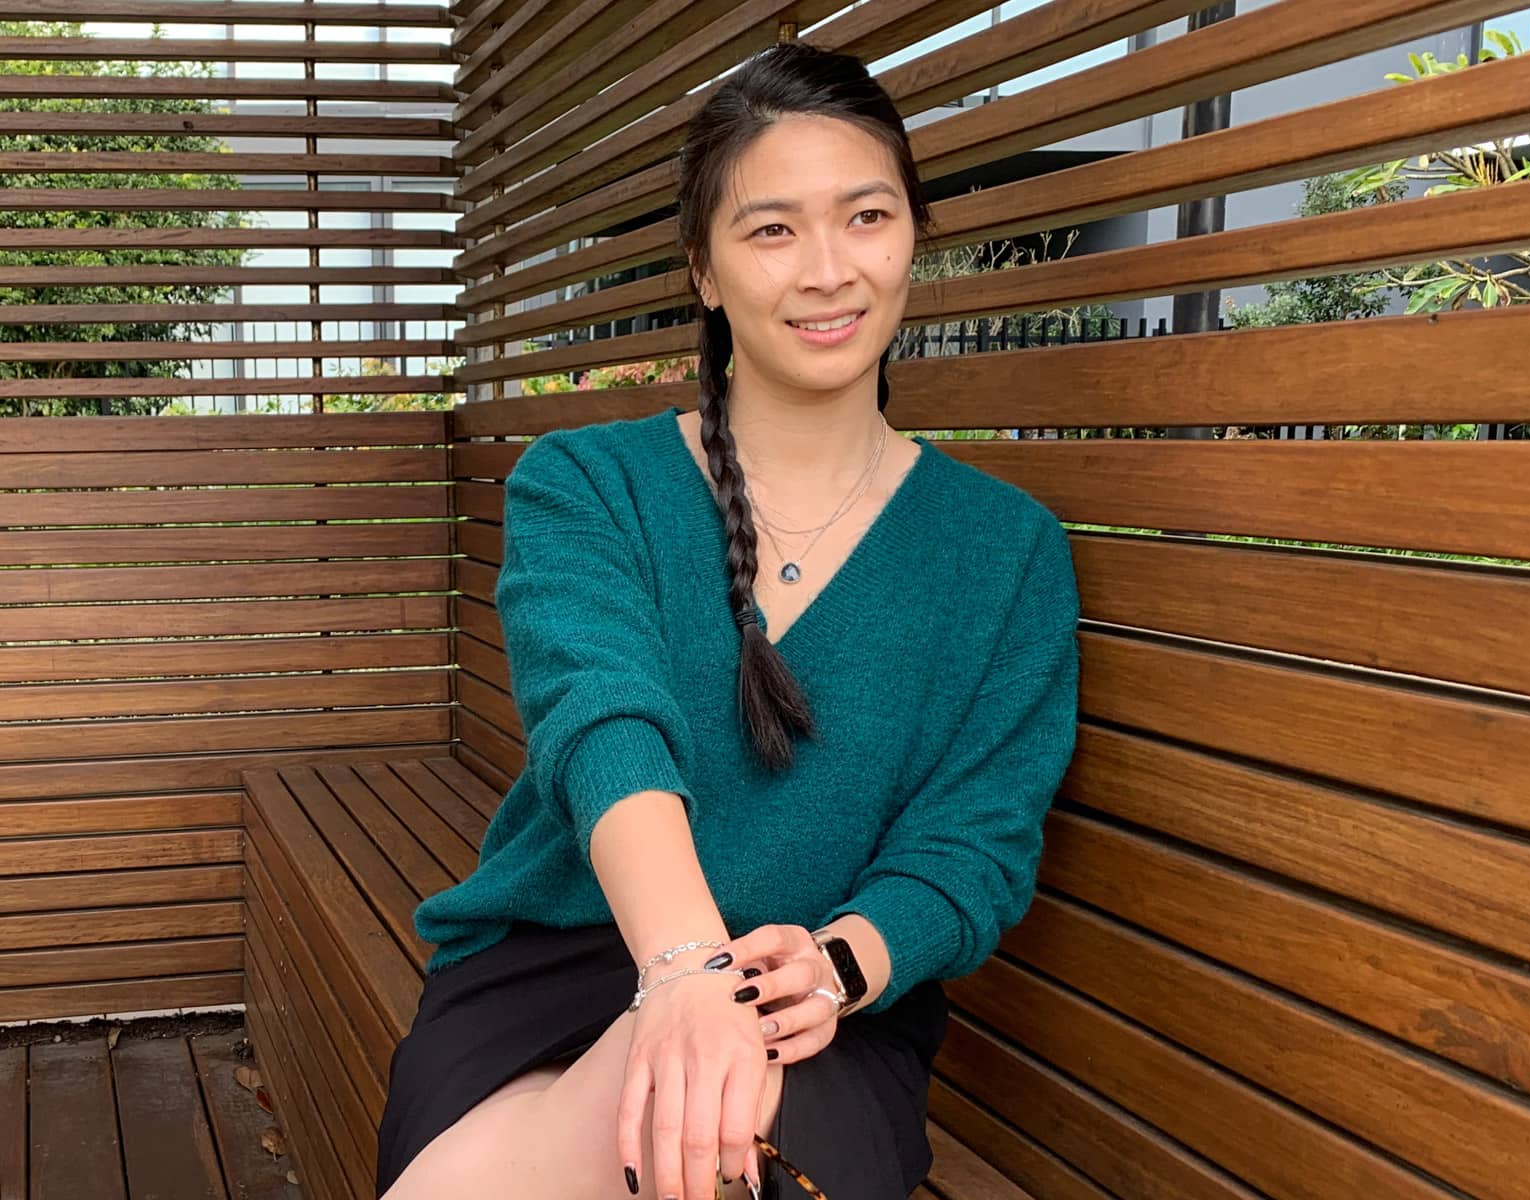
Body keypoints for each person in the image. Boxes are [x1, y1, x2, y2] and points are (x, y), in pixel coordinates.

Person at [374, 38, 1081, 1200]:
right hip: (564, 962)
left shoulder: (1005, 552)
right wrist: (686, 972)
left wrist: (835, 968)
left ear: (912, 237)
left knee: (721, 1144)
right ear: (703, 270)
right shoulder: (586, 484)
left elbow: (976, 842)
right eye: (770, 229)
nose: (826, 270)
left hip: (825, 1005)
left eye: (865, 217)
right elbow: (603, 723)